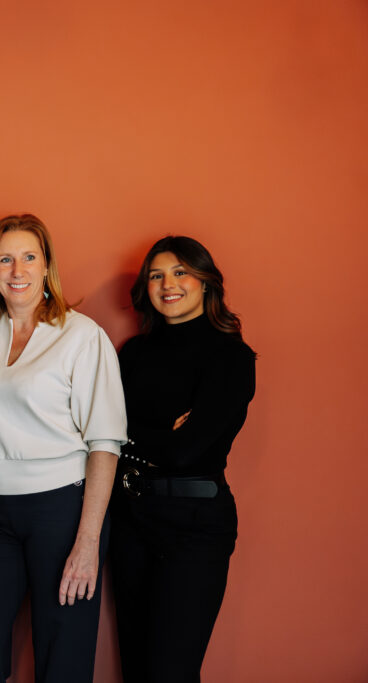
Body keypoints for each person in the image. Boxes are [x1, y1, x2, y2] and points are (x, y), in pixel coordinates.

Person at [0, 214, 127, 682]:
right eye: (5, 259)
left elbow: (105, 446)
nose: (17, 270)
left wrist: (88, 541)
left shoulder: (81, 335)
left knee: (63, 656)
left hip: (63, 509)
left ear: (47, 266)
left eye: (29, 257)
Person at [110, 236, 256, 682]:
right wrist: (154, 435)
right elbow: (101, 433)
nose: (167, 284)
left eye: (180, 273)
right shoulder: (133, 353)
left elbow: (186, 450)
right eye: (156, 275)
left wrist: (130, 436)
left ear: (206, 282)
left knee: (170, 672)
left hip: (194, 525)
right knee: (136, 668)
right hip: (131, 519)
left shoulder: (231, 356)